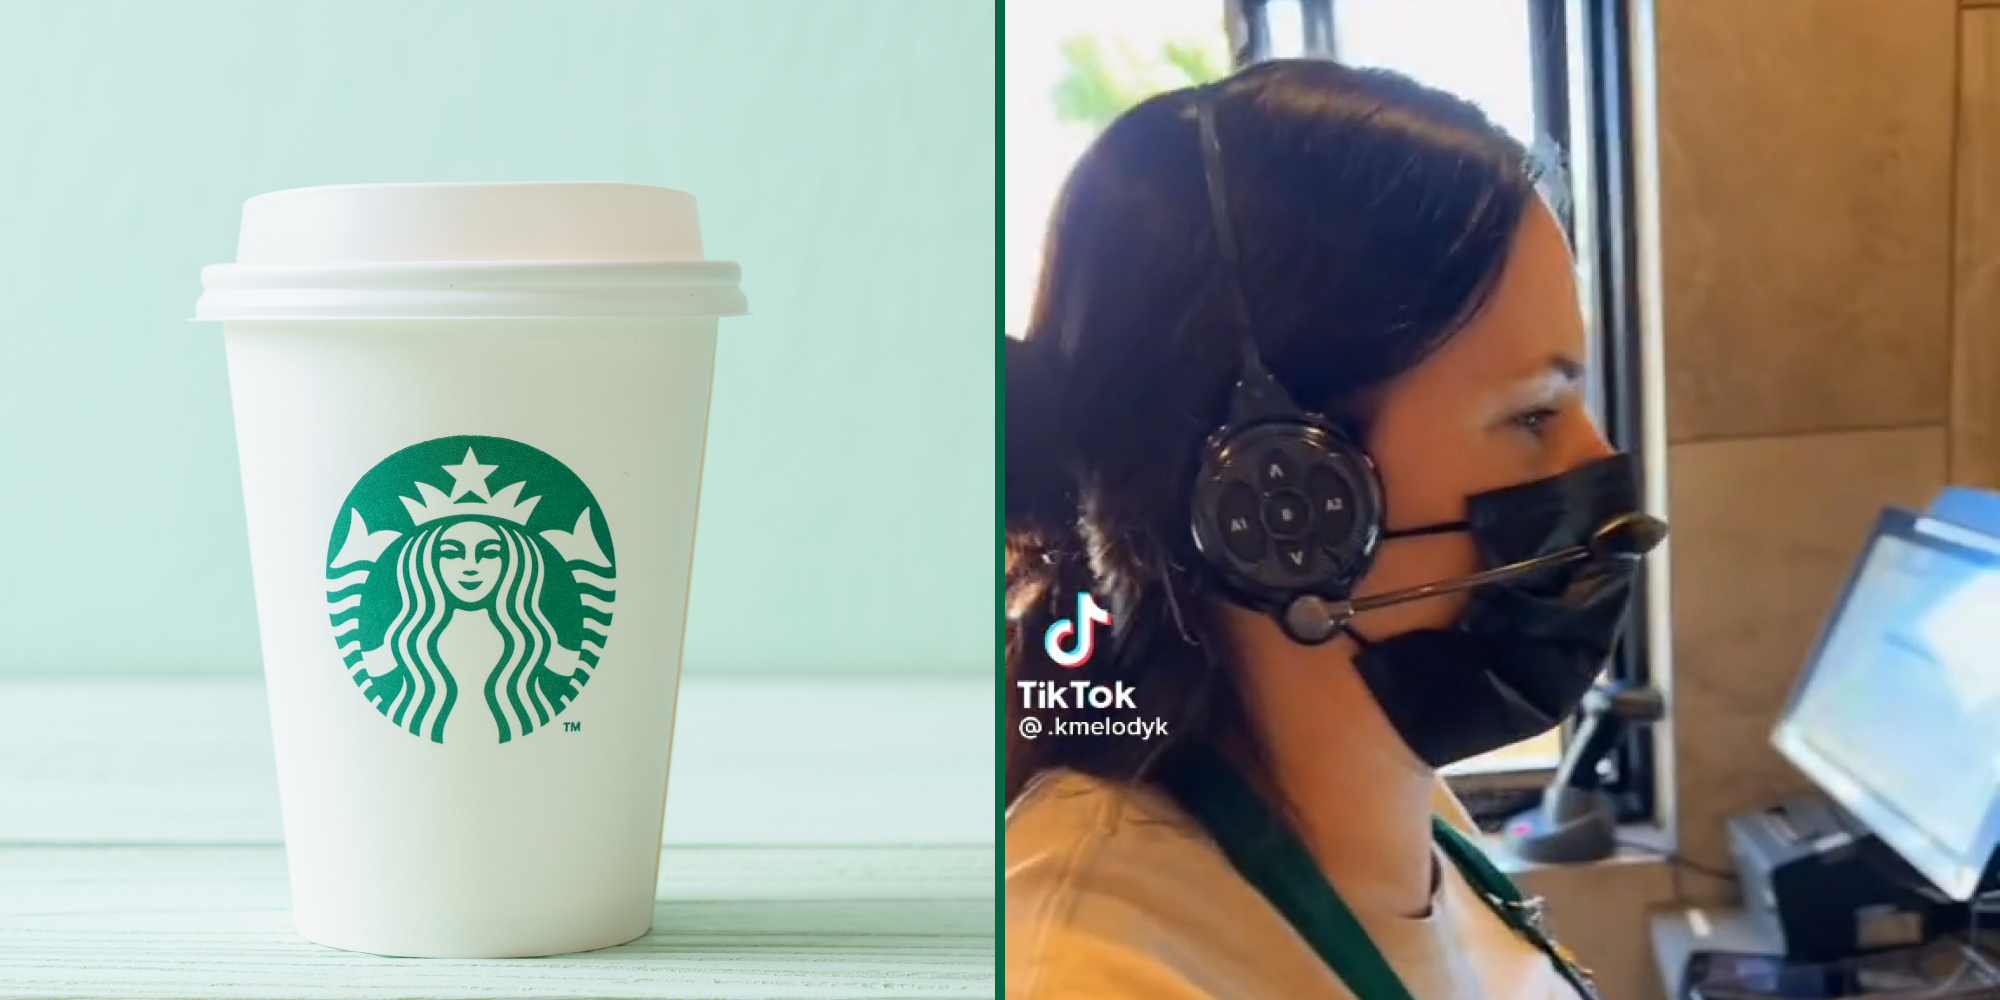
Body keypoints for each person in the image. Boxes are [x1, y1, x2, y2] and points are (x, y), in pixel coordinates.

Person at [1005, 59, 1662, 1000]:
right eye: (1531, 416)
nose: (1608, 489)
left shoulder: (1409, 814)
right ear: (1290, 507)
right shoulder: (1097, 968)